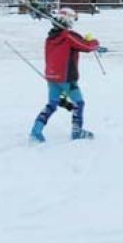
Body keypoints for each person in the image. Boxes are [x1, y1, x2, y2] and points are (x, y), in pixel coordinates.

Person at [29, 8, 107, 143]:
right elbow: (86, 46)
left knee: (52, 104)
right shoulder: (67, 35)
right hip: (66, 77)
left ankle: (36, 131)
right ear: (68, 20)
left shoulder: (50, 37)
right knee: (79, 103)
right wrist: (94, 41)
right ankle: (77, 132)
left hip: (52, 76)